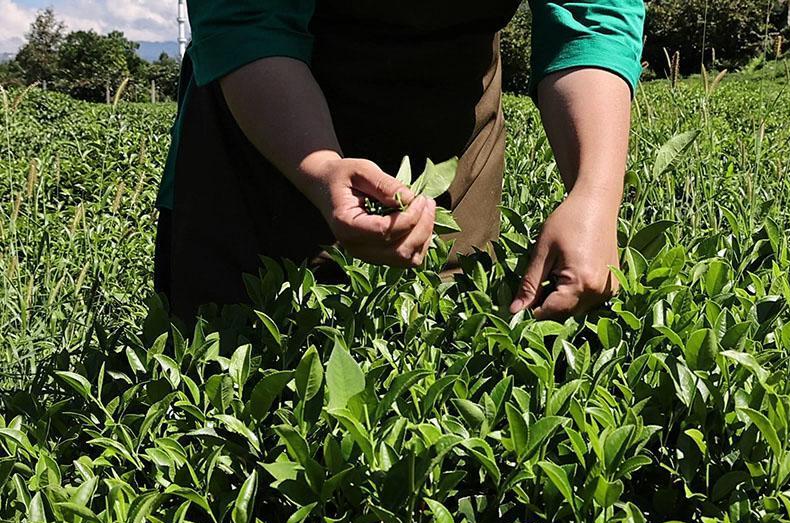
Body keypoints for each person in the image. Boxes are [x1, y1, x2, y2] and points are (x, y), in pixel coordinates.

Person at [154, 1, 644, 322]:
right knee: (243, 355)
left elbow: (591, 16)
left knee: (441, 355)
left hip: (448, 123)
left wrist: (594, 196)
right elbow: (247, 18)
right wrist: (321, 167)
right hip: (264, 123)